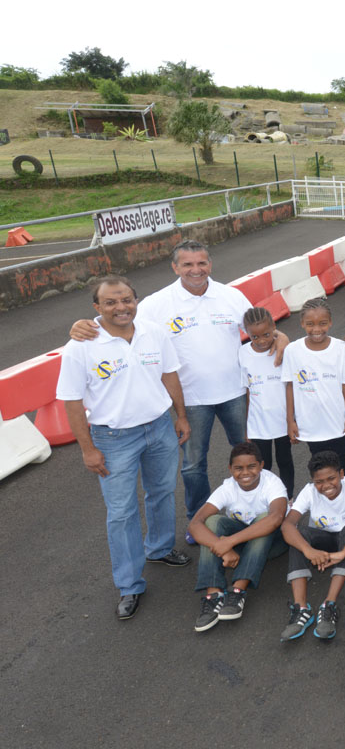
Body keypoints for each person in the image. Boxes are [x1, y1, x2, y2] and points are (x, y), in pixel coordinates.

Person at [68, 241, 287, 529]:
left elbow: (263, 330)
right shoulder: (156, 304)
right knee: (194, 464)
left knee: (248, 453)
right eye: (187, 264)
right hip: (191, 400)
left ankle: (259, 510)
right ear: (175, 267)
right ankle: (199, 521)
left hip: (235, 392)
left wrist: (282, 338)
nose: (196, 270)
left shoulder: (231, 296)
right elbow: (119, 319)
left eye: (202, 263)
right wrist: (85, 324)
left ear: (210, 264)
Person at [57, 275, 192, 620]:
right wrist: (87, 449)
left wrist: (180, 416)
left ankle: (160, 548)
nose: (121, 308)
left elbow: (170, 375)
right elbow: (71, 402)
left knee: (162, 492)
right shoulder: (81, 346)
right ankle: (130, 584)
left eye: (126, 300)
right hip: (113, 438)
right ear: (96, 308)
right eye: (111, 302)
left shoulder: (153, 332)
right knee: (121, 513)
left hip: (160, 427)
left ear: (136, 300)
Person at [188, 442, 287, 632]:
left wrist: (229, 542)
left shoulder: (272, 483)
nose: (245, 473)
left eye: (251, 466)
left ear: (261, 465)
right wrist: (222, 548)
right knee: (213, 521)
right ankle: (214, 594)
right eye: (238, 468)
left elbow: (275, 519)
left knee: (264, 519)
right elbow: (195, 524)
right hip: (241, 544)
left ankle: (238, 590)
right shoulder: (228, 488)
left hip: (272, 543)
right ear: (230, 469)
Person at [280, 451, 345, 641]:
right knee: (300, 533)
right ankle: (301, 608)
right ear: (313, 481)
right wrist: (309, 551)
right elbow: (287, 525)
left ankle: (329, 605)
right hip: (323, 542)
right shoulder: (309, 491)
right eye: (319, 482)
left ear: (341, 474)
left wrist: (343, 553)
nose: (326, 485)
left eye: (331, 478)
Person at [283, 298, 345, 476]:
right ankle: (326, 499)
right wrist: (290, 421)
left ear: (330, 322)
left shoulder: (341, 348)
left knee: (342, 461)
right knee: (319, 462)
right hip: (310, 422)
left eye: (322, 323)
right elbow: (290, 387)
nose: (316, 329)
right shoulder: (292, 350)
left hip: (336, 420)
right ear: (302, 324)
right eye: (310, 324)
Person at [240, 307, 294, 495]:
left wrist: (292, 420)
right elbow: (246, 391)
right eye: (255, 337)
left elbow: (291, 387)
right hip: (258, 423)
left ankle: (288, 499)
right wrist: (246, 425)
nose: (262, 341)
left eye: (267, 334)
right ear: (246, 333)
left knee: (285, 460)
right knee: (264, 464)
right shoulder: (242, 354)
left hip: (282, 421)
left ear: (274, 328)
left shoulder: (285, 351)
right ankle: (266, 498)